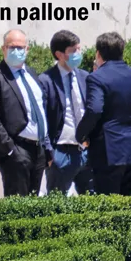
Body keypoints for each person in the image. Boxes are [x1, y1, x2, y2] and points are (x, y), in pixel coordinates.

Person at [0, 29, 53, 197]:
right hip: (16, 150)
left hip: (39, 150)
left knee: (35, 207)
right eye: (12, 47)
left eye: (21, 47)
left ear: (27, 49)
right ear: (3, 49)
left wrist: (47, 148)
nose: (17, 51)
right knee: (18, 207)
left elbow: (40, 110)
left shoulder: (32, 74)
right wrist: (11, 150)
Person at [76, 32, 131, 196]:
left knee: (108, 202)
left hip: (107, 149)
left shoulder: (97, 78)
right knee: (127, 200)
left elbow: (95, 109)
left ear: (98, 53)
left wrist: (81, 135)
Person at [38, 30, 94, 195]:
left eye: (79, 49)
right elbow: (42, 120)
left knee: (92, 201)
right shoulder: (46, 80)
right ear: (59, 54)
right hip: (60, 152)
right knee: (57, 202)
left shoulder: (84, 76)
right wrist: (50, 154)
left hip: (85, 151)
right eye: (73, 51)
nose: (78, 54)